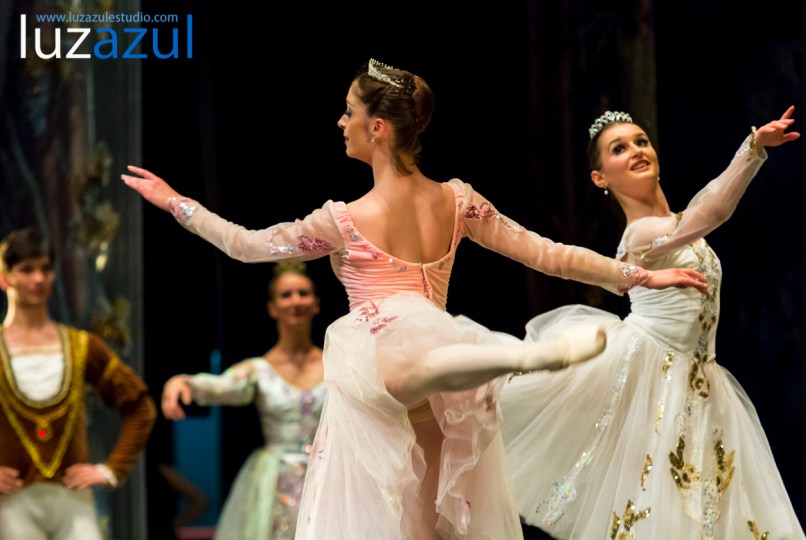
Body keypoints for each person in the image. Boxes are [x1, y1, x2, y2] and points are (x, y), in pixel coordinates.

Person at [121, 59, 707, 539]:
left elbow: (245, 247)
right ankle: (507, 357)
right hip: (442, 361)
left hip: (387, 362)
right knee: (430, 494)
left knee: (409, 411)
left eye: (350, 113)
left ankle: (512, 357)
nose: (341, 122)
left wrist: (178, 202)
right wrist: (633, 276)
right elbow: (547, 253)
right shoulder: (455, 201)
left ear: (378, 127)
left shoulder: (343, 219)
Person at [501, 108, 805, 539]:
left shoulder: (677, 227)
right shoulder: (642, 235)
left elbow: (701, 209)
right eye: (619, 149)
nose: (636, 151)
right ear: (600, 178)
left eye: (641, 141)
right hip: (655, 379)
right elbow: (712, 211)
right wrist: (752, 150)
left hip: (701, 381)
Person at [0, 227, 157, 540]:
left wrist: (111, 469)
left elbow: (141, 407)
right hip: (11, 503)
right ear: (5, 277)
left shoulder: (82, 346)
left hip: (72, 498)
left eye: (45, 269)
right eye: (26, 270)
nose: (38, 279)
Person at [161, 262, 326, 540]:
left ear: (316, 303)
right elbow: (222, 385)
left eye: (303, 293)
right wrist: (185, 382)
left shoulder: (335, 363)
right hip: (275, 482)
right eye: (286, 295)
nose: (296, 301)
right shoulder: (258, 370)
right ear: (272, 308)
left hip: (326, 474)